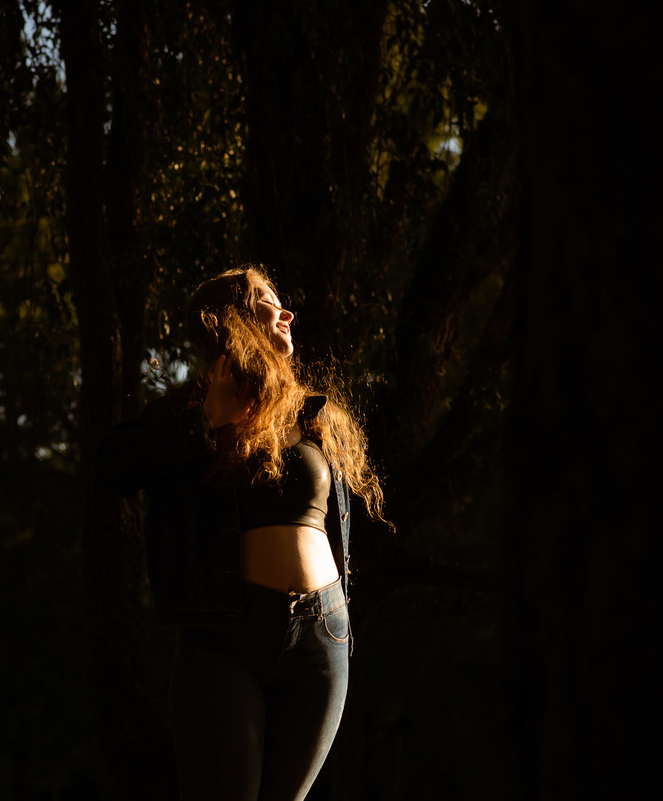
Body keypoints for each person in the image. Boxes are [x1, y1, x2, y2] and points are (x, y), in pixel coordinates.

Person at [95, 265, 387, 801]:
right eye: (267, 301)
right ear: (231, 319)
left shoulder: (312, 414)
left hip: (323, 638)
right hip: (225, 639)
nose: (287, 312)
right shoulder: (185, 411)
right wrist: (205, 423)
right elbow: (109, 469)